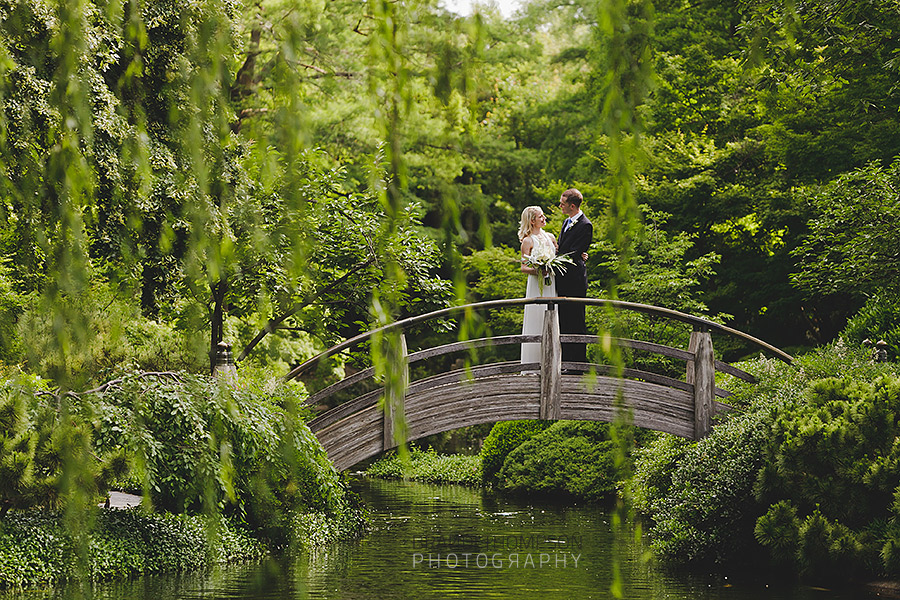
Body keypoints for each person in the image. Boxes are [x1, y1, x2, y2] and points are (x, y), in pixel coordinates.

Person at [555, 188, 593, 370]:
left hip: (575, 280)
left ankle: (578, 364)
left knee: (576, 321)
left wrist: (552, 260)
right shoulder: (566, 222)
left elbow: (573, 254)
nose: (560, 206)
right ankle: (566, 361)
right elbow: (563, 248)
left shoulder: (585, 225)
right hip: (562, 279)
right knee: (564, 321)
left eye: (562, 204)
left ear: (572, 205)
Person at [518, 205, 557, 370]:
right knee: (536, 317)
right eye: (541, 216)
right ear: (532, 221)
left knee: (553, 315)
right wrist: (539, 270)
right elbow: (523, 267)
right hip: (537, 284)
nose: (544, 218)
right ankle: (533, 365)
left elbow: (560, 256)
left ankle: (552, 362)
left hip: (552, 283)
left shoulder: (551, 237)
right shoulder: (527, 241)